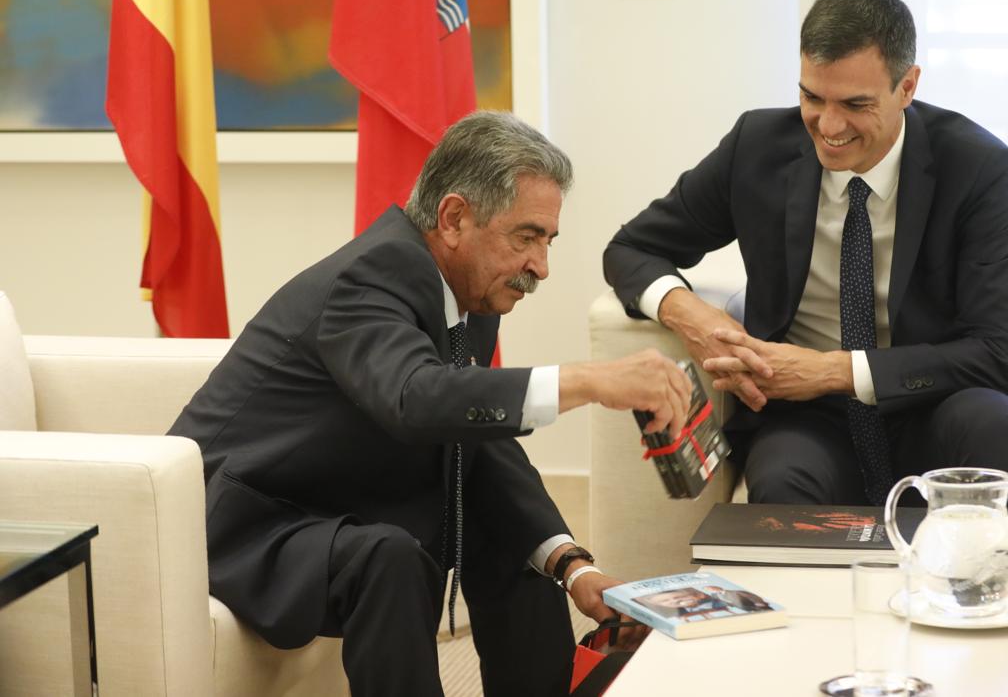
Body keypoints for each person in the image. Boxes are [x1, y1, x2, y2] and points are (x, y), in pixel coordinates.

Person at [169, 111, 691, 697]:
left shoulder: (474, 299)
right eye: (526, 237)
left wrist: (572, 564)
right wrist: (589, 382)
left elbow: (478, 439)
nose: (540, 267)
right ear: (454, 218)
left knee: (506, 536)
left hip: (329, 502)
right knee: (386, 555)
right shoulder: (370, 276)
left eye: (547, 241)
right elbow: (414, 398)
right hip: (245, 524)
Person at [603, 0, 1008, 520]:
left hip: (934, 402)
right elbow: (632, 247)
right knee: (780, 477)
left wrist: (832, 370)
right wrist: (695, 319)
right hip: (809, 418)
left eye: (855, 105)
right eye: (812, 98)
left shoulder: (976, 168)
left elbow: (1002, 354)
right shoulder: (757, 148)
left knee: (989, 421)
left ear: (907, 87)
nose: (829, 126)